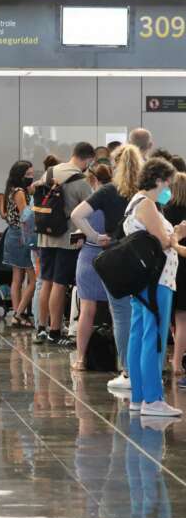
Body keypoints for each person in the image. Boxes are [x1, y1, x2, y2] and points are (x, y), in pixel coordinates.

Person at [75, 144, 145, 392]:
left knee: (121, 316)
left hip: (114, 257)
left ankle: (126, 369)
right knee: (145, 316)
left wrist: (95, 236)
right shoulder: (144, 191)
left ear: (115, 165)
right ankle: (146, 369)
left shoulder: (107, 191)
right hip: (144, 259)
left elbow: (77, 214)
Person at [123, 157, 183, 416]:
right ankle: (152, 398)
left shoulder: (135, 203)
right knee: (154, 336)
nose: (169, 189)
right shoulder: (147, 204)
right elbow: (162, 241)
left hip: (145, 280)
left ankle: (139, 396)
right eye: (167, 183)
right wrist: (178, 233)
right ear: (158, 180)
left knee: (140, 334)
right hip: (157, 280)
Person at [34, 142, 95, 347]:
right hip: (66, 238)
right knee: (59, 284)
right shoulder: (80, 180)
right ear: (88, 160)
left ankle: (41, 328)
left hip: (45, 236)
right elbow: (92, 209)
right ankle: (55, 331)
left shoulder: (50, 172)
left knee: (46, 281)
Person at [70, 164, 113, 371]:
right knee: (118, 311)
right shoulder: (117, 200)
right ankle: (121, 359)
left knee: (86, 310)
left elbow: (79, 225)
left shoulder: (89, 204)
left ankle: (80, 358)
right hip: (113, 257)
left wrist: (91, 236)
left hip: (88, 256)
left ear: (92, 180)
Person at [2, 160, 36, 327]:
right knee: (34, 279)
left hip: (12, 233)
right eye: (28, 174)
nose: (31, 177)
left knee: (17, 278)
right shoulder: (20, 192)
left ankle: (17, 314)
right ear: (20, 175)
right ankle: (19, 312)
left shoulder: (11, 190)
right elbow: (26, 215)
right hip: (22, 235)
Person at [164, 172, 186, 384]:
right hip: (185, 267)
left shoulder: (165, 210)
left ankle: (172, 359)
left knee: (171, 317)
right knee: (183, 319)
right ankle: (178, 362)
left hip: (170, 268)